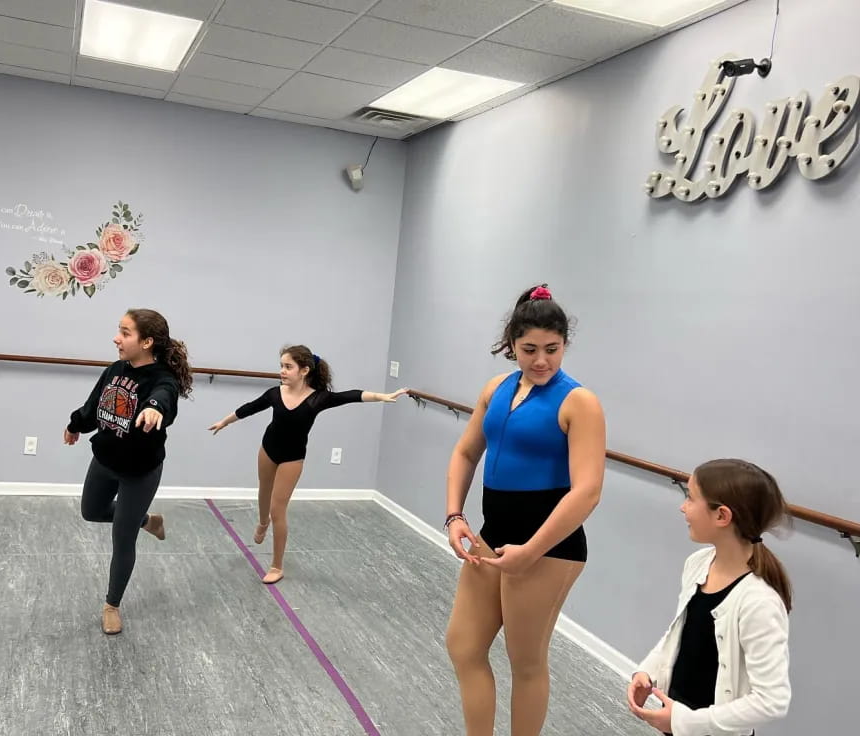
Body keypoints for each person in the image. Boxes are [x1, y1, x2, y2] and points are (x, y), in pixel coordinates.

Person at [443, 284, 606, 736]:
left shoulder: (579, 402)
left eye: (552, 350)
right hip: (493, 533)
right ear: (511, 344)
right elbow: (465, 453)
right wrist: (455, 516)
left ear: (564, 345)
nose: (541, 361)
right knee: (463, 646)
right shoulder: (495, 388)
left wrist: (531, 551)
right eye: (529, 349)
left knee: (526, 660)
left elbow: (587, 491)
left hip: (550, 547)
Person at [208, 345, 407, 584]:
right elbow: (249, 409)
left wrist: (382, 397)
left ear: (304, 370)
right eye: (281, 366)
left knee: (278, 509)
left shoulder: (318, 398)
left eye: (288, 367)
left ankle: (276, 566)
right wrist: (224, 422)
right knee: (264, 490)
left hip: (292, 458)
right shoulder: (274, 393)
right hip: (268, 450)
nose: (282, 371)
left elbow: (351, 396)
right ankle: (262, 524)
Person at [627, 459, 792, 736]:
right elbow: (678, 631)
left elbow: (772, 700)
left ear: (722, 516)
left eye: (690, 498)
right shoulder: (698, 563)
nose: (683, 507)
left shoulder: (759, 602)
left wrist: (685, 722)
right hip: (677, 719)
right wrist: (647, 670)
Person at [64, 309, 192, 635]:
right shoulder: (115, 369)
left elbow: (164, 397)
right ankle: (148, 520)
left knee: (122, 538)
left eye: (125, 332)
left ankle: (111, 605)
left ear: (147, 341)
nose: (116, 338)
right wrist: (75, 425)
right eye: (118, 330)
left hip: (140, 471)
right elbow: (94, 407)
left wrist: (154, 408)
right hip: (105, 460)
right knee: (91, 512)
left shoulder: (162, 379)